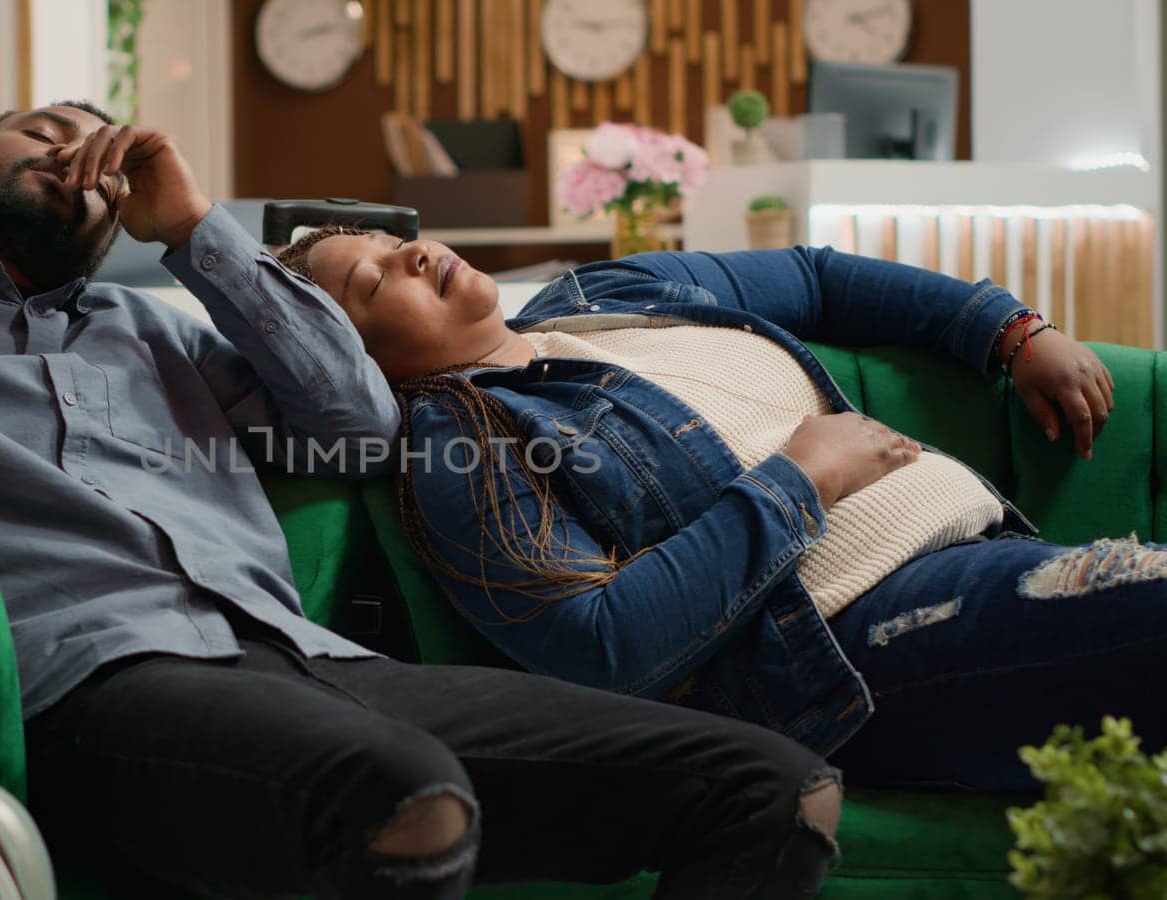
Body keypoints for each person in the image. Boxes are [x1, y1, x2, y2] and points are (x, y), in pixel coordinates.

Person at [0, 102, 841, 899]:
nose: (72, 155)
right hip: (86, 681)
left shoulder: (158, 323)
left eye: (98, 150)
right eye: (39, 132)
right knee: (404, 797)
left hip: (301, 661)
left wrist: (195, 232)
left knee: (772, 788)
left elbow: (357, 421)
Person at [276, 226, 1165, 792]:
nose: (414, 253)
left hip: (983, 546)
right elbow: (602, 649)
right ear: (351, 362)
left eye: (392, 241)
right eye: (371, 282)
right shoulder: (461, 446)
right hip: (853, 644)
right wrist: (802, 478)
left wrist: (1005, 329)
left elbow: (814, 278)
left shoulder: (602, 296)